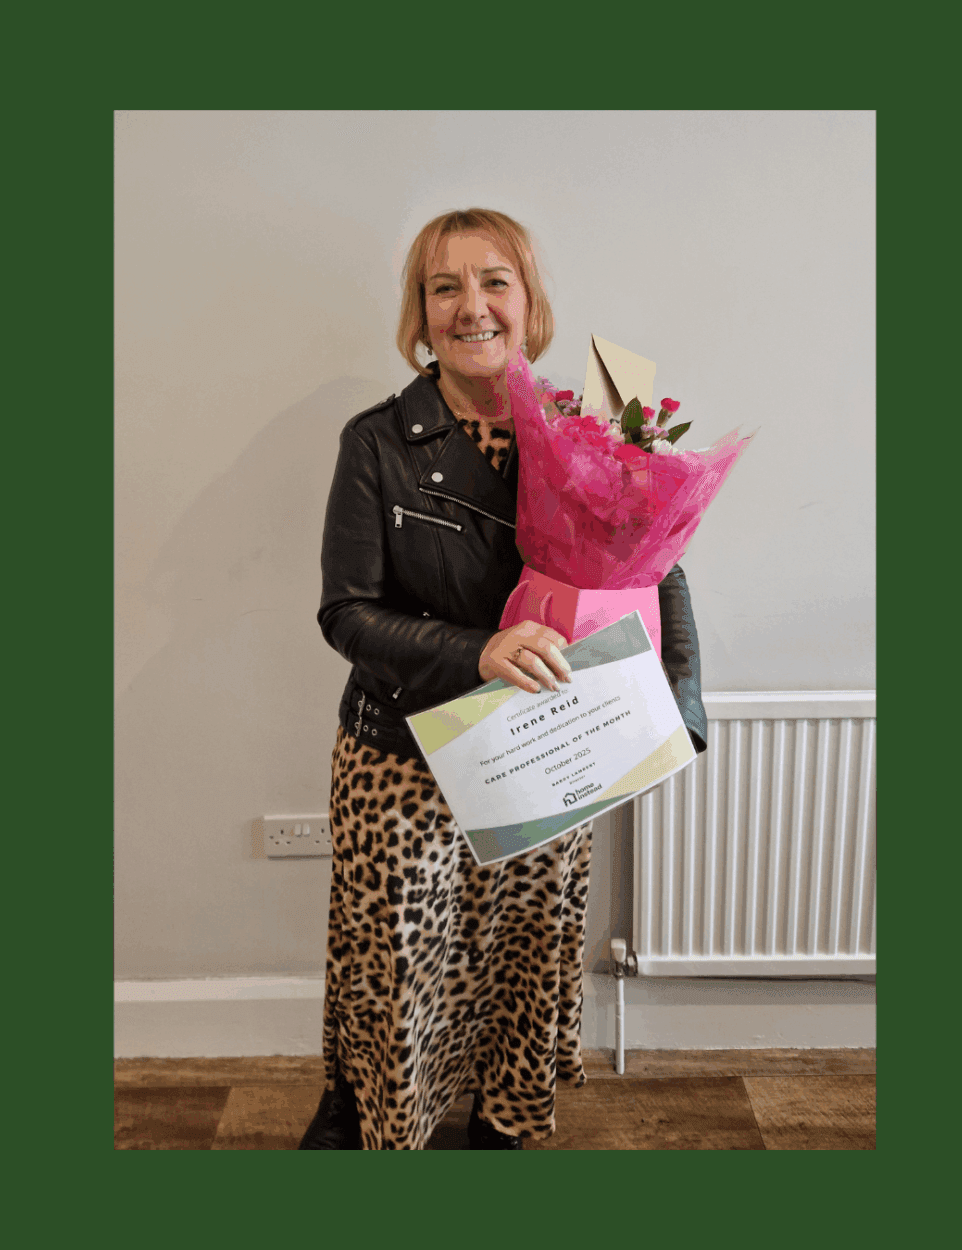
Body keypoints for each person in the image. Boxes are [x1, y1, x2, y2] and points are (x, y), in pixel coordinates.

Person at [299, 208, 707, 1151]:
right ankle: (366, 1111)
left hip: (550, 750)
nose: (470, 306)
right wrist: (474, 651)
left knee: (526, 956)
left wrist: (676, 712)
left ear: (530, 303)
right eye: (444, 287)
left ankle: (503, 1124)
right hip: (407, 757)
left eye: (494, 282)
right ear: (420, 314)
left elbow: (661, 570)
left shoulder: (586, 430)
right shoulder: (377, 442)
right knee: (399, 968)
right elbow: (345, 614)